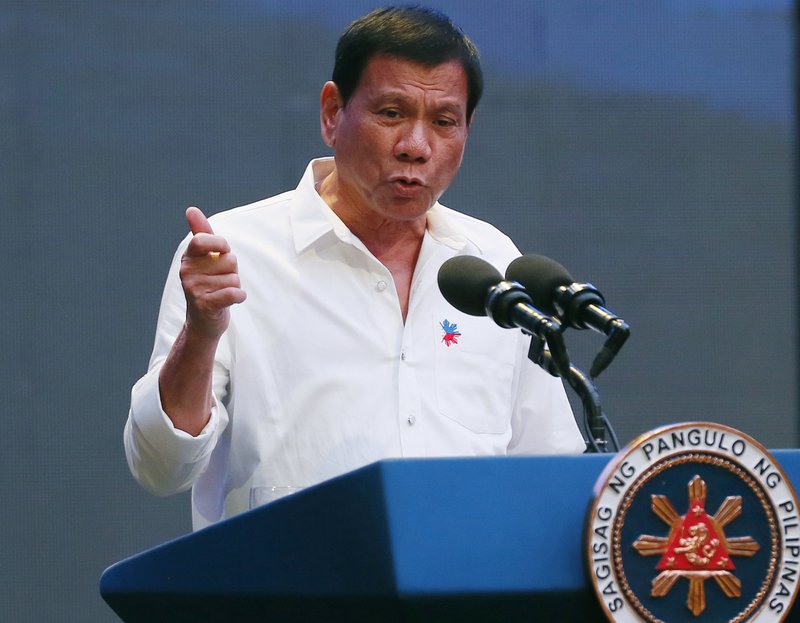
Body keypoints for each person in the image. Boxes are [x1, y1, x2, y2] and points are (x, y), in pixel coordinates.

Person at [125, 5, 585, 530]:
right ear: (331, 113)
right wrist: (202, 335)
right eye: (391, 113)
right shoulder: (233, 255)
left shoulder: (493, 263)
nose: (416, 147)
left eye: (443, 122)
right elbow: (159, 468)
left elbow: (549, 468)